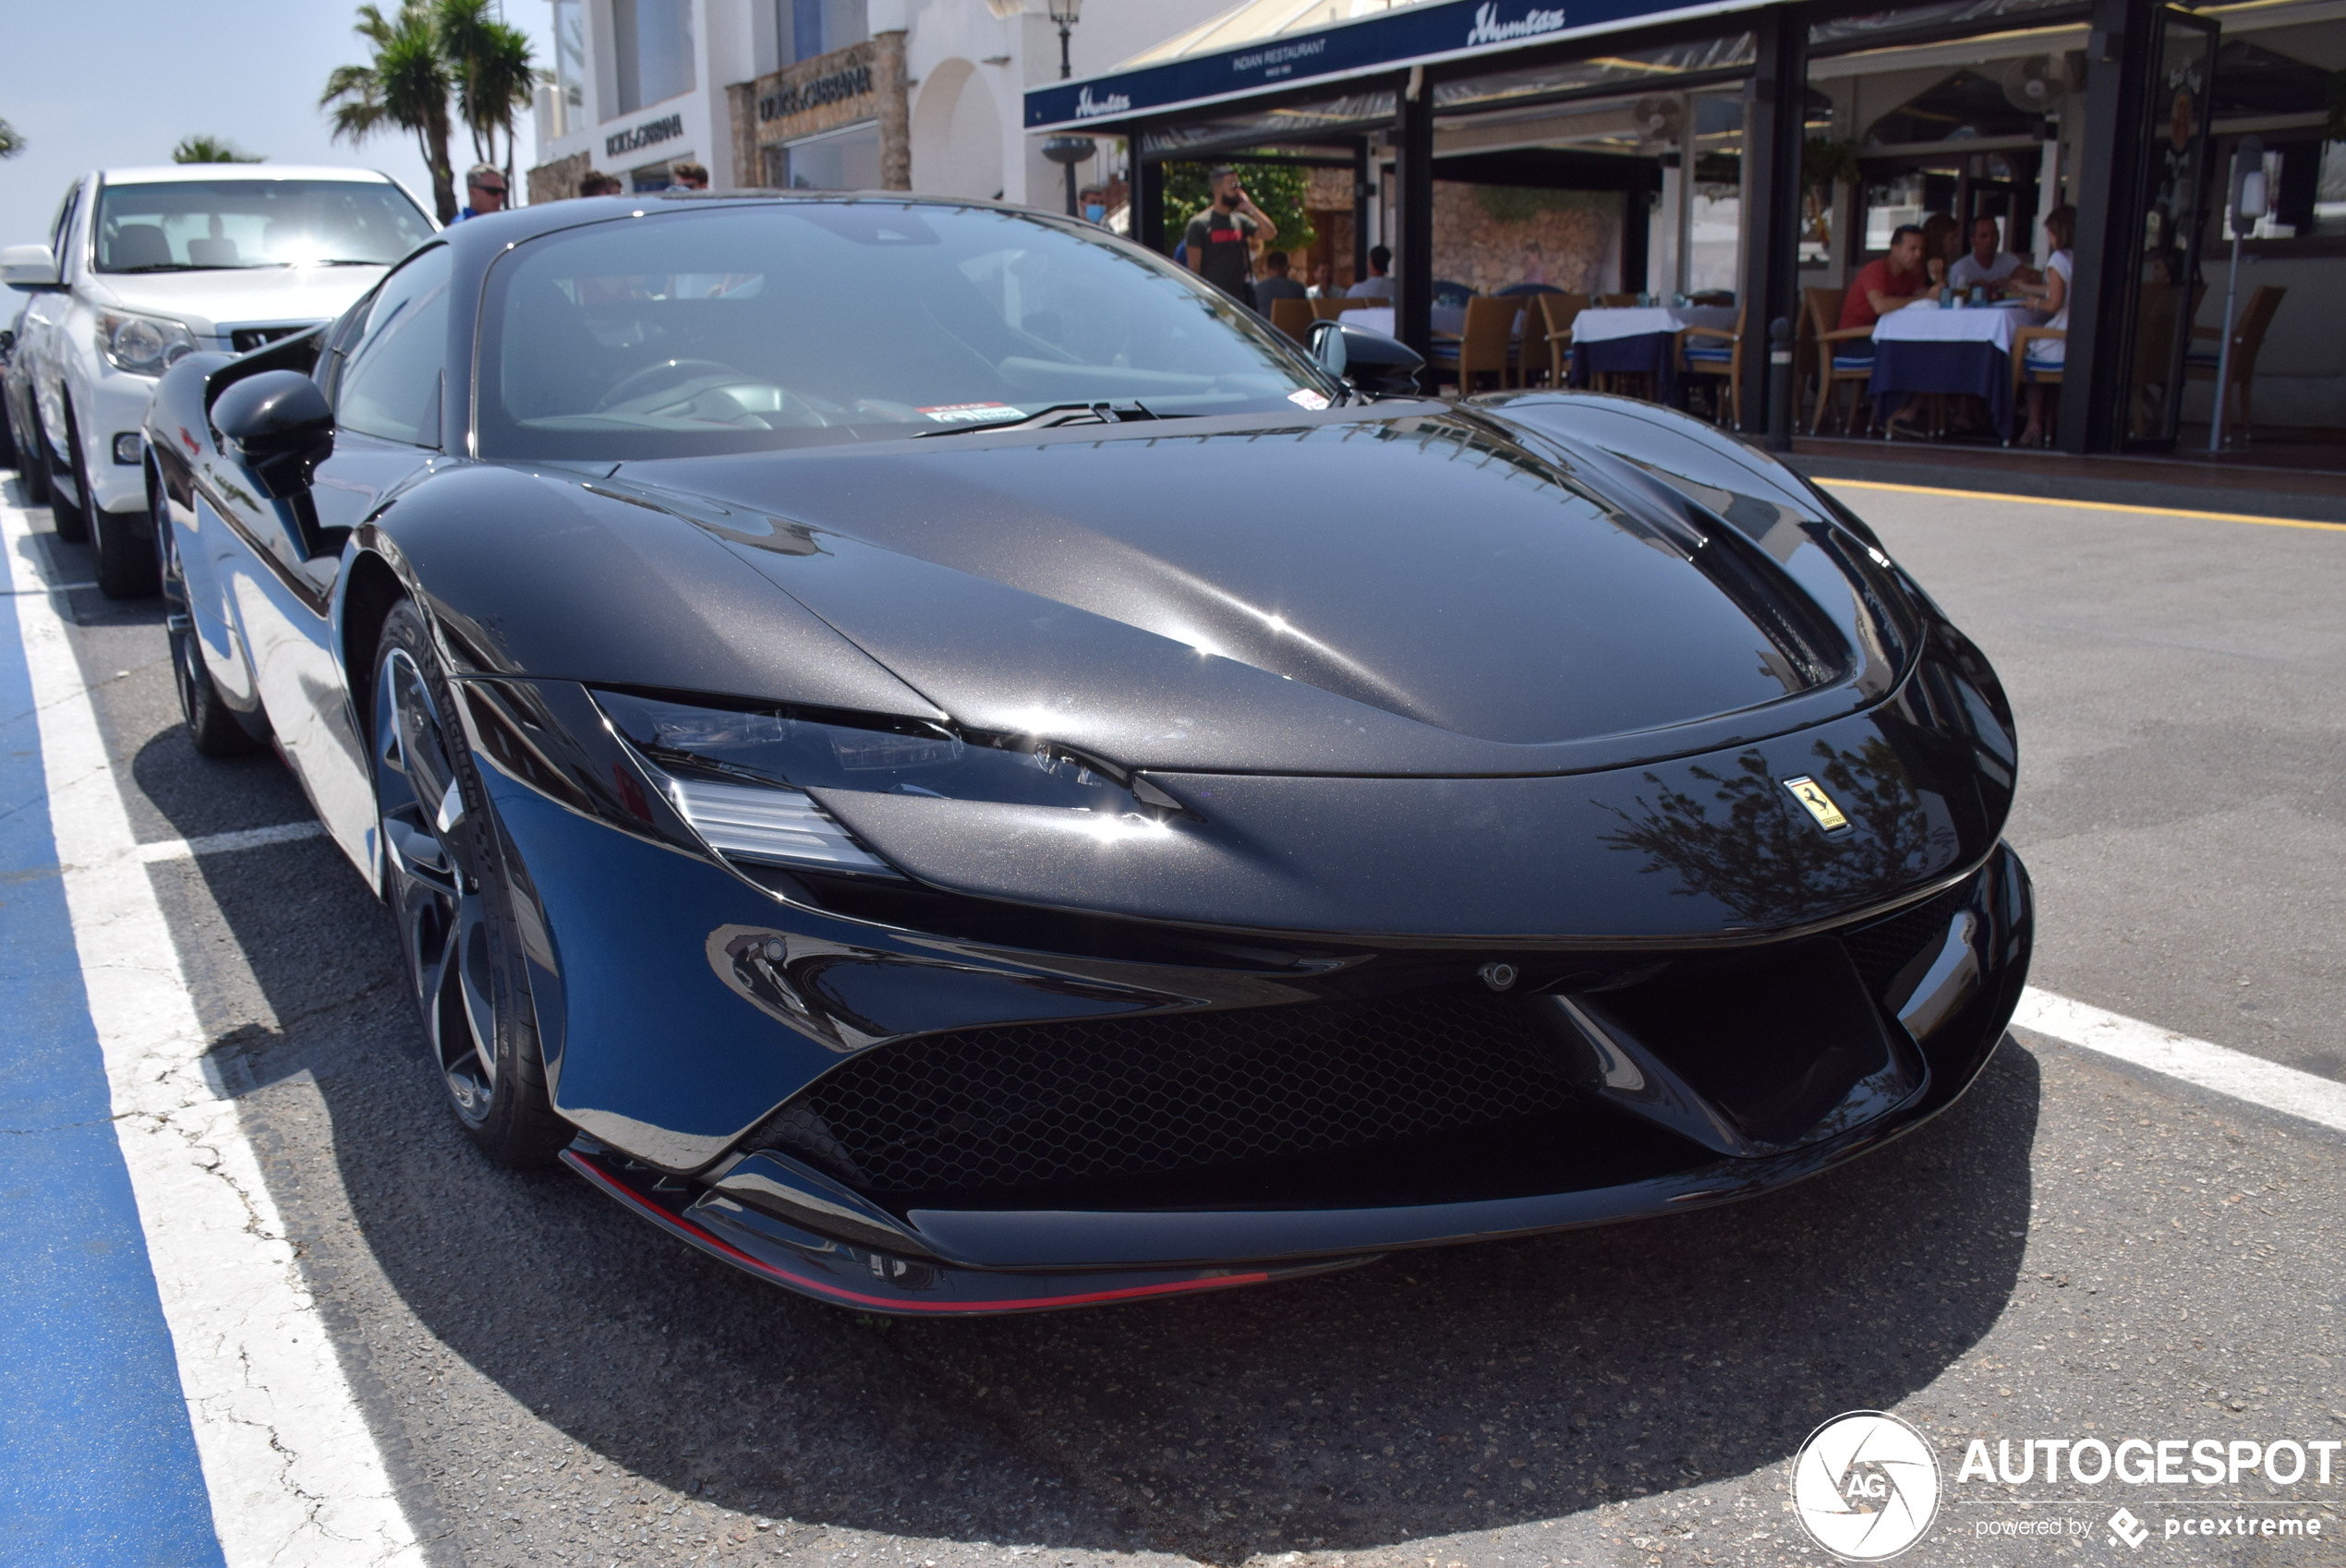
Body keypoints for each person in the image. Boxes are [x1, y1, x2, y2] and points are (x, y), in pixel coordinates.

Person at [2014, 204, 2076, 448]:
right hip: (2076, 331)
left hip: (2061, 333)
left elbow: (2054, 303)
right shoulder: (2078, 257)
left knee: (2027, 354)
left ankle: (2033, 422)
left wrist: (2034, 302)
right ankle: (2047, 423)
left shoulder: (2058, 259)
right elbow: (2060, 288)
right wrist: (2026, 287)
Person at [1184, 167, 1276, 308]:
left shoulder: (1240, 221)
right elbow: (1194, 268)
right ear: (1217, 190)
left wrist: (1250, 207)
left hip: (1238, 303)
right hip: (1211, 302)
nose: (1238, 191)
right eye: (1233, 186)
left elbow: (1270, 233)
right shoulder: (1199, 224)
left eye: (1239, 185)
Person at [1840, 223, 1930, 332]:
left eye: (1921, 249)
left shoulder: (1908, 274)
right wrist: (1920, 299)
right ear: (1895, 249)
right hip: (1857, 339)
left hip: (1885, 334)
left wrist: (1937, 276)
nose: (1919, 254)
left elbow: (1927, 296)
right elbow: (1880, 306)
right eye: (1913, 249)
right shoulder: (1876, 269)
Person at [1949, 215, 2036, 295]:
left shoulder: (2009, 259)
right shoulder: (1960, 268)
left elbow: (2033, 277)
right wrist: (1971, 288)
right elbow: (1954, 299)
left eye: (1994, 234)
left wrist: (2012, 282)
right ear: (1973, 241)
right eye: (1984, 236)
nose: (1990, 240)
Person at [1918, 212, 1962, 293]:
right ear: (1939, 239)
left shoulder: (1949, 263)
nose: (1957, 242)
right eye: (1952, 238)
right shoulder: (1920, 267)